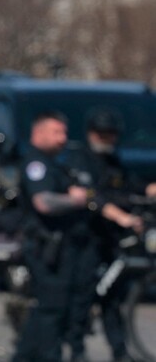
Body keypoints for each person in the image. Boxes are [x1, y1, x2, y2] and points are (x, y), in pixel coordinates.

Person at [62, 109, 154, 362]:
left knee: (111, 298)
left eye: (111, 134)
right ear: (91, 133)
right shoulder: (79, 159)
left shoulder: (112, 160)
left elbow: (129, 185)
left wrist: (150, 188)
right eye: (103, 134)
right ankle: (76, 351)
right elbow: (92, 196)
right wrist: (122, 217)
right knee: (84, 295)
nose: (108, 138)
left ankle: (119, 351)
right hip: (85, 237)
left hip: (109, 238)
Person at [12, 111, 99, 362]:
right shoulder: (36, 164)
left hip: (61, 247)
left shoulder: (55, 164)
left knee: (51, 307)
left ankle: (23, 356)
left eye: (64, 132)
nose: (63, 138)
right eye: (56, 132)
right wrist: (75, 199)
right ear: (38, 134)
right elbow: (43, 203)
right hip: (45, 246)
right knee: (52, 308)